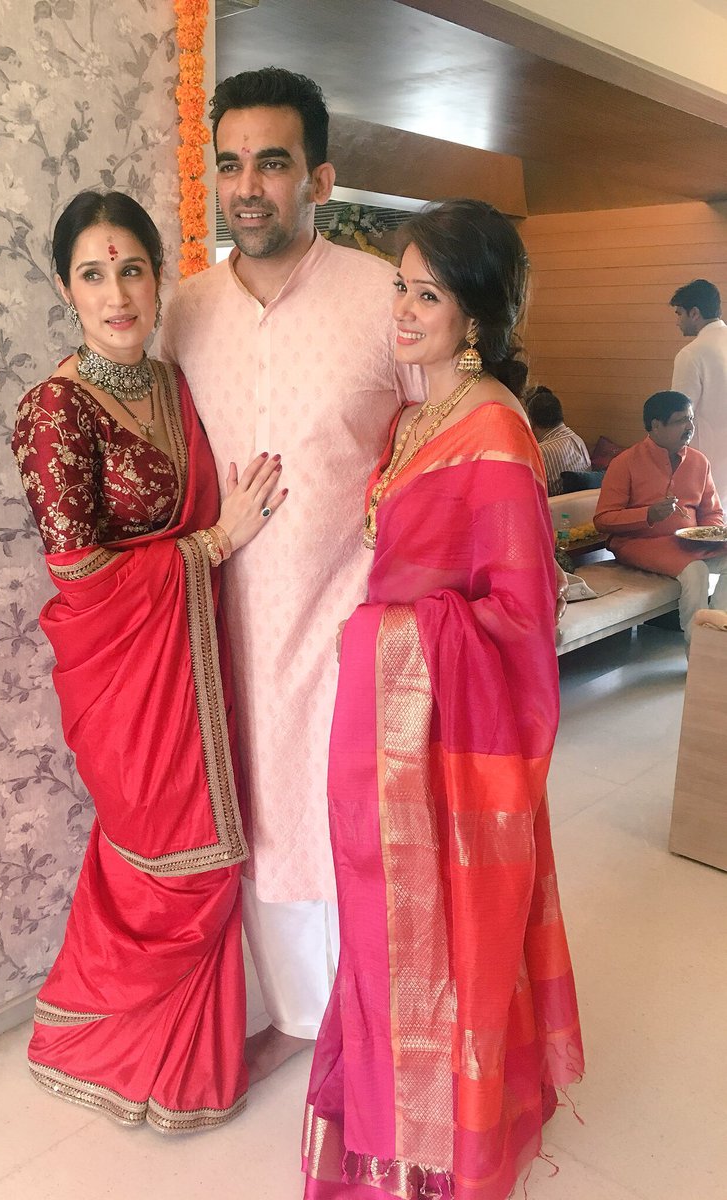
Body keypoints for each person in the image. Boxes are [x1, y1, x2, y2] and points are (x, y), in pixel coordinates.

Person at [302, 200, 584, 1200]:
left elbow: (521, 616)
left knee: (446, 943)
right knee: (383, 929)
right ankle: (394, 1116)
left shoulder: (496, 434)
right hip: (392, 731)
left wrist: (391, 640)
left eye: (428, 294)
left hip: (442, 737)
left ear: (475, 316)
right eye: (401, 286)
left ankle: (442, 1145)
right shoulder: (417, 413)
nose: (404, 309)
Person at [159, 67, 423, 1081]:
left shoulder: (380, 297)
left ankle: (371, 1020)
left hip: (350, 620)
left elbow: (443, 425)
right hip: (222, 626)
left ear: (319, 177)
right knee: (255, 816)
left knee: (352, 818)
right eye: (229, 165)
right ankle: (300, 1015)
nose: (247, 187)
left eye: (271, 163)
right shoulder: (184, 310)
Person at [11, 190, 286, 1132]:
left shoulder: (171, 382)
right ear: (65, 288)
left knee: (210, 857)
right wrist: (215, 544)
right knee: (172, 866)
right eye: (93, 274)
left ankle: (184, 1067)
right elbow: (81, 573)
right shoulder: (54, 412)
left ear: (159, 277)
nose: (117, 293)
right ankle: (92, 1040)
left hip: (192, 659)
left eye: (132, 269)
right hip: (122, 676)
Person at [594, 390, 727, 643]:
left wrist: (709, 535)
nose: (689, 427)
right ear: (656, 425)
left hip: (688, 543)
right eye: (680, 421)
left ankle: (717, 638)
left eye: (691, 419)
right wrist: (648, 514)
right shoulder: (625, 462)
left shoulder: (699, 461)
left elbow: (712, 512)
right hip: (639, 543)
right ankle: (697, 650)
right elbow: (603, 519)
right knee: (696, 571)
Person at [670, 279, 727, 501]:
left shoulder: (692, 354)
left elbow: (678, 418)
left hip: (707, 465)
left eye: (679, 314)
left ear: (694, 313)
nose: (677, 322)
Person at [526, 383, 591, 494]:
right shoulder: (577, 440)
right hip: (583, 503)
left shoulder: (540, 453)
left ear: (530, 420)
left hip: (555, 504)